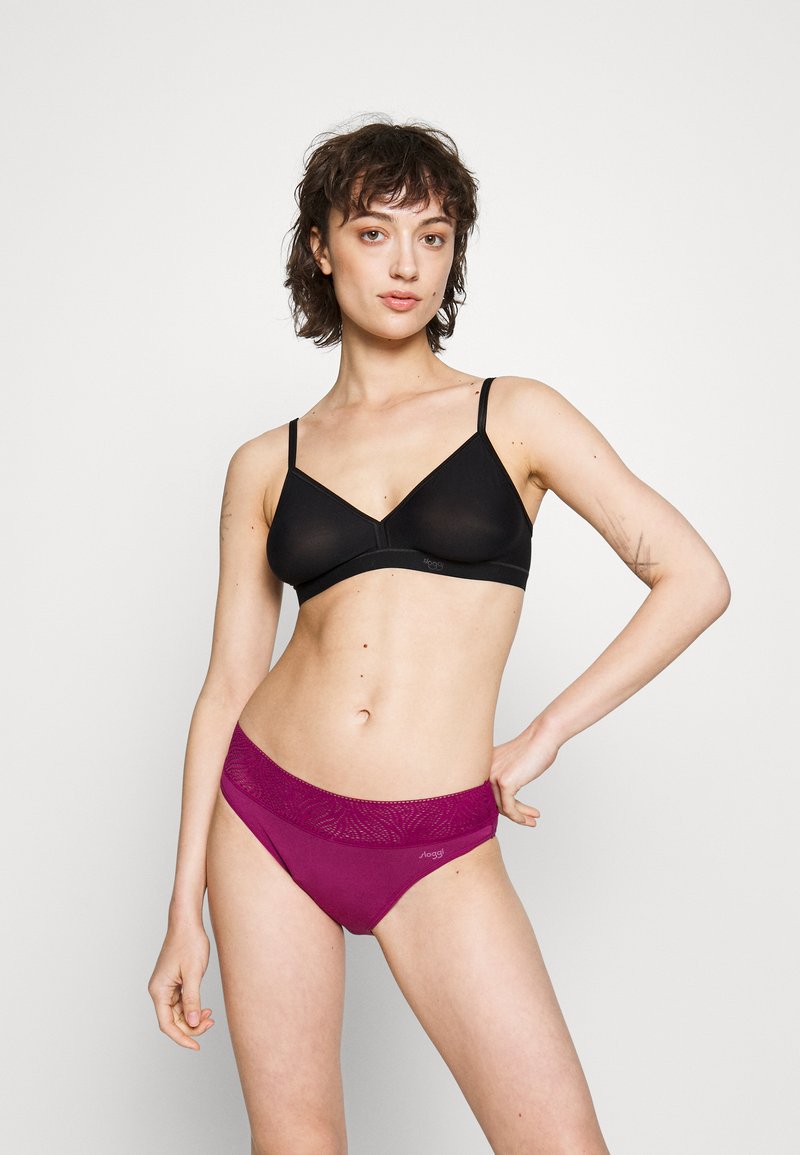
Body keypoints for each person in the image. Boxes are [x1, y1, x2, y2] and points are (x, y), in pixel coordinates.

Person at [148, 117, 730, 1155]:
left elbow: (693, 578)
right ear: (322, 247)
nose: (406, 264)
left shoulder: (516, 415)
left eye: (433, 235)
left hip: (435, 840)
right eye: (373, 233)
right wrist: (181, 908)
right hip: (266, 819)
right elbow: (227, 684)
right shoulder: (265, 463)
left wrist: (545, 731)